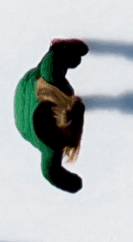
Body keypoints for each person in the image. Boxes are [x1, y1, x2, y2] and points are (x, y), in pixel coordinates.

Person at [14, 39, 88, 193]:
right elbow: (50, 173)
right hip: (23, 124)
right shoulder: (51, 151)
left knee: (48, 74)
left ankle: (58, 46)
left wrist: (64, 54)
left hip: (26, 87)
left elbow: (50, 62)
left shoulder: (49, 83)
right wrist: (69, 183)